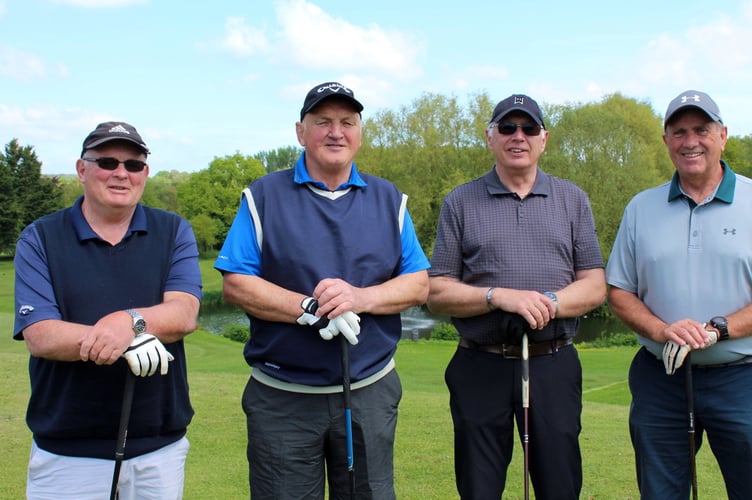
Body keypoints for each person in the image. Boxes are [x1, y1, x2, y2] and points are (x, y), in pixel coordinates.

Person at [214, 81, 430, 499]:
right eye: (323, 121)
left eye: (347, 122)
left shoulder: (389, 199)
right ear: (301, 131)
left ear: (360, 132)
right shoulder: (262, 196)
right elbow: (237, 284)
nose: (336, 132)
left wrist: (360, 298)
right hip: (284, 399)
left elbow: (418, 282)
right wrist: (312, 307)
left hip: (369, 391)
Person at [427, 94, 606, 499]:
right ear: (491, 137)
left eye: (528, 128)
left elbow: (595, 284)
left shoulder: (572, 199)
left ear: (544, 138)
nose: (518, 137)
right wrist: (497, 296)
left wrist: (548, 304)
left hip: (552, 361)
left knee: (559, 484)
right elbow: (436, 293)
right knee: (479, 486)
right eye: (507, 128)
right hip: (480, 363)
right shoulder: (460, 201)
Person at [13, 121, 203, 499]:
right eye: (107, 161)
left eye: (133, 165)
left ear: (145, 173)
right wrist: (124, 340)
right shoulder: (40, 237)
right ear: (82, 170)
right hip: (68, 452)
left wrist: (128, 322)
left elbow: (183, 313)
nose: (121, 173)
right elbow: (41, 334)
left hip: (158, 449)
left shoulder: (173, 230)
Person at [607, 90, 752, 499]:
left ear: (723, 135)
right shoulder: (641, 207)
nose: (691, 141)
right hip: (661, 379)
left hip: (742, 378)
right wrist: (662, 329)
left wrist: (718, 329)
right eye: (679, 131)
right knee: (660, 493)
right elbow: (619, 290)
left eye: (701, 130)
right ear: (667, 141)